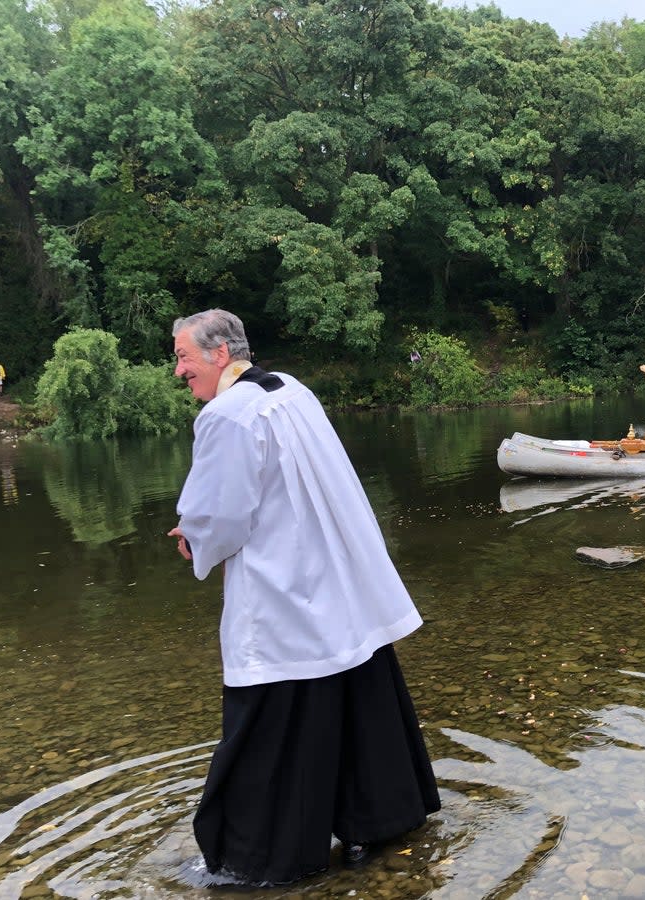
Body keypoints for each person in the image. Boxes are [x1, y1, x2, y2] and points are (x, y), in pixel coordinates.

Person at [167, 309, 440, 886]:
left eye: (183, 357)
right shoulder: (289, 389)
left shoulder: (226, 416)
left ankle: (259, 860)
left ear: (220, 355)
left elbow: (223, 515)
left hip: (284, 592)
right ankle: (383, 822)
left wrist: (193, 537)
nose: (177, 370)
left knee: (268, 725)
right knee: (356, 697)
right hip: (337, 582)